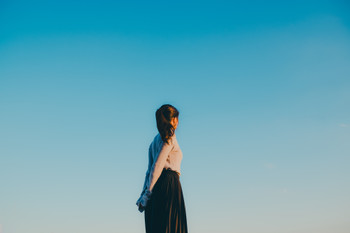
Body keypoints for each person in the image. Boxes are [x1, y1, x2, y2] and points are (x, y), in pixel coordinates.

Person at [136, 104, 188, 233]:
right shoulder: (169, 138)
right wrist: (146, 196)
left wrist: (145, 195)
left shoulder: (154, 141)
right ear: (174, 119)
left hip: (156, 188)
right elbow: (157, 166)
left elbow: (149, 171)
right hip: (169, 186)